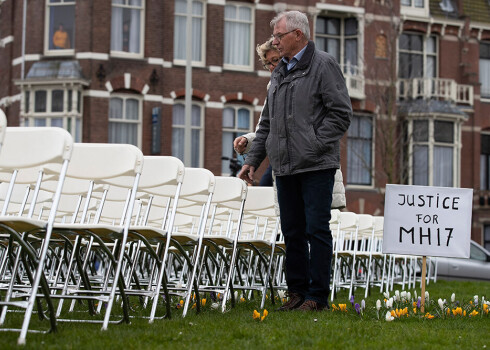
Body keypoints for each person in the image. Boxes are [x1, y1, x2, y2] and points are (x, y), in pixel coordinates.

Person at [238, 11, 352, 311]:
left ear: (298, 35)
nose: (274, 41)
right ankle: (297, 293)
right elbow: (267, 124)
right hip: (285, 167)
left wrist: (313, 144)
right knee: (292, 231)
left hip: (316, 165)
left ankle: (317, 297)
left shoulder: (324, 65)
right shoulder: (279, 72)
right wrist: (253, 160)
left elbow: (341, 114)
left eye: (279, 35)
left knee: (317, 230)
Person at [233, 39, 280, 187]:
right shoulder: (273, 86)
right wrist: (247, 141)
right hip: (281, 161)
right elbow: (265, 128)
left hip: (310, 164)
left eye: (275, 60)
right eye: (268, 64)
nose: (272, 67)